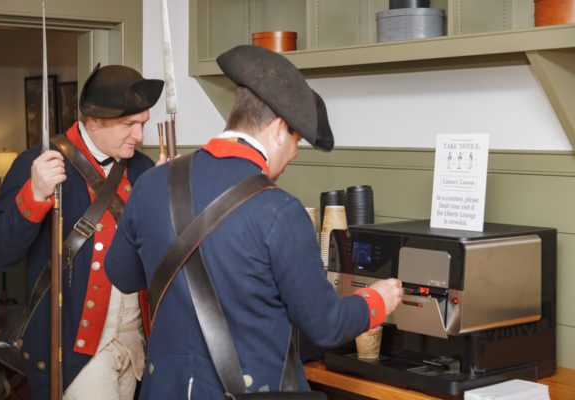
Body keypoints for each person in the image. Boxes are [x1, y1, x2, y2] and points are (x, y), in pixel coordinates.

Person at [104, 45, 403, 399]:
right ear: (278, 129)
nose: (292, 154)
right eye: (295, 141)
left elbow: (122, 275)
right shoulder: (279, 209)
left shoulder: (152, 183)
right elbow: (325, 326)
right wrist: (376, 301)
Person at [0, 63, 164, 400]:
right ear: (93, 120)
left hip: (136, 341)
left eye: (142, 125)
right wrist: (33, 195)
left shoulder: (143, 168)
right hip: (77, 350)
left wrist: (168, 199)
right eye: (128, 125)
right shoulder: (38, 162)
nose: (139, 136)